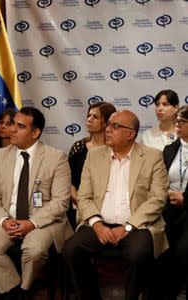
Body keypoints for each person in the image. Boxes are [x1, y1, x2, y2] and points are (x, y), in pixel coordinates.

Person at [62, 110, 169, 300]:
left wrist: (128, 227)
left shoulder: (153, 157)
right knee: (72, 249)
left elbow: (158, 198)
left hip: (137, 225)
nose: (108, 129)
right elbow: (84, 196)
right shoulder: (94, 156)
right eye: (108, 124)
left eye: (115, 126)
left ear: (131, 134)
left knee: (137, 254)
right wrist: (96, 224)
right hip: (99, 223)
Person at [0, 107, 73, 299]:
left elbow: (61, 202)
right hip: (9, 219)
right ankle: (17, 291)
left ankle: (24, 290)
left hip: (42, 222)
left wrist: (31, 223)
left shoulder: (57, 158)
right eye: (13, 123)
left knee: (34, 250)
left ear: (35, 133)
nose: (12, 129)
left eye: (20, 126)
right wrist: (4, 220)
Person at [68, 102, 116, 228]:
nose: (89, 120)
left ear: (107, 122)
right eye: (88, 115)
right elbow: (70, 183)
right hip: (80, 206)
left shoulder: (115, 149)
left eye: (95, 117)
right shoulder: (78, 147)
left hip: (109, 208)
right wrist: (83, 205)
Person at [162, 106, 188, 299]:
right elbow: (160, 180)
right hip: (168, 207)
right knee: (163, 248)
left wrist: (185, 199)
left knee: (183, 249)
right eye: (176, 121)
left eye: (182, 121)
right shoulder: (169, 149)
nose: (177, 125)